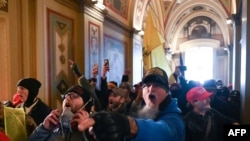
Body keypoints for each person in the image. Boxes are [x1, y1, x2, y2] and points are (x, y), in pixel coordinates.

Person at [75, 67, 185, 141]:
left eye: (157, 84)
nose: (151, 88)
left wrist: (128, 125)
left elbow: (163, 132)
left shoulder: (175, 120)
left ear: (167, 91)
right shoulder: (143, 113)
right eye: (146, 85)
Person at [28, 85, 95, 141]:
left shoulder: (94, 127)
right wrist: (44, 128)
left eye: (74, 96)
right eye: (65, 96)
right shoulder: (53, 124)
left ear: (86, 106)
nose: (67, 98)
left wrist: (86, 132)